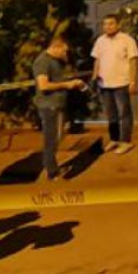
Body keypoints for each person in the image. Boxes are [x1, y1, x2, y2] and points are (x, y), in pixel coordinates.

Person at [34, 37, 88, 181]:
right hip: (49, 105)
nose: (66, 54)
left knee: (58, 136)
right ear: (55, 47)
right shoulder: (42, 61)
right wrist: (67, 85)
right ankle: (52, 173)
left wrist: (73, 82)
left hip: (58, 105)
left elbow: (56, 80)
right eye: (64, 51)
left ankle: (51, 165)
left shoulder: (56, 61)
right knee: (51, 138)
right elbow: (43, 85)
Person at [91, 14, 138, 154]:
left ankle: (125, 141)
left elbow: (133, 61)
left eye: (111, 24)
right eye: (105, 24)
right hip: (104, 84)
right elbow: (97, 61)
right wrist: (94, 79)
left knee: (124, 113)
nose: (108, 27)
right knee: (110, 114)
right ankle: (114, 139)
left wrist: (132, 81)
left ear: (118, 25)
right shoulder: (100, 41)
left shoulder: (127, 40)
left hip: (121, 83)